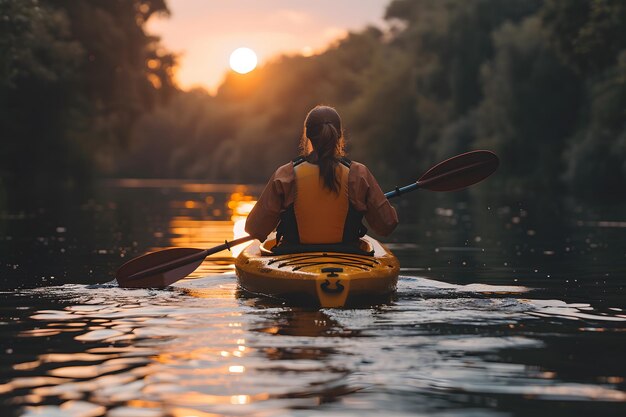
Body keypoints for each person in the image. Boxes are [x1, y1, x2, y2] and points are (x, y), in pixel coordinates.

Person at [245, 105, 398, 250]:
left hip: (293, 258)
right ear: (339, 135)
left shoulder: (286, 175)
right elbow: (387, 225)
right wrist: (371, 205)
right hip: (348, 258)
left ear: (308, 136)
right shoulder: (358, 174)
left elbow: (255, 229)